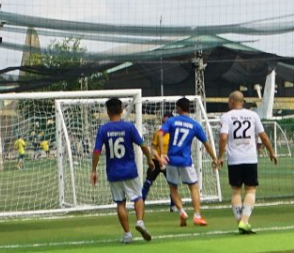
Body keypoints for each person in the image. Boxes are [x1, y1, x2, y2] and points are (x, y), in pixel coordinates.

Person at [91, 98, 158, 243]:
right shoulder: (129, 127)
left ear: (107, 112)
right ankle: (140, 221)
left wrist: (94, 170)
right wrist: (149, 159)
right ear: (122, 110)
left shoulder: (103, 130)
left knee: (120, 203)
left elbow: (96, 151)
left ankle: (127, 234)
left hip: (113, 172)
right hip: (129, 170)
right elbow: (143, 145)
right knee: (138, 197)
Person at [216, 91, 278, 235]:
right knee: (250, 190)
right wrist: (271, 152)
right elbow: (263, 136)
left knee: (236, 190)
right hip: (250, 158)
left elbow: (223, 138)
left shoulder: (226, 117)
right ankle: (244, 221)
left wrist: (220, 157)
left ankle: (241, 222)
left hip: (234, 159)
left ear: (231, 101)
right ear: (242, 102)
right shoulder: (253, 115)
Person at [161, 97, 218, 227]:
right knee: (193, 187)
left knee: (173, 188)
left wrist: (162, 152)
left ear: (179, 108)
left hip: (171, 160)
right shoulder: (195, 125)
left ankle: (181, 211)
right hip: (185, 160)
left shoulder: (172, 121)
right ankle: (197, 215)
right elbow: (206, 143)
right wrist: (214, 158)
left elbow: (160, 133)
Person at [142, 112, 176, 211]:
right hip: (156, 161)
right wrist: (159, 158)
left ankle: (173, 205)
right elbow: (153, 148)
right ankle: (140, 203)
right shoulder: (158, 133)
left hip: (168, 162)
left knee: (172, 184)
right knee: (148, 182)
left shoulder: (173, 134)